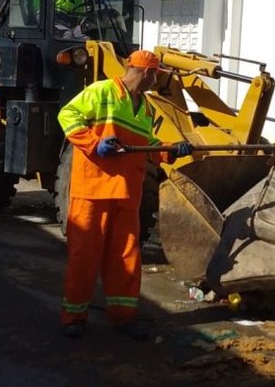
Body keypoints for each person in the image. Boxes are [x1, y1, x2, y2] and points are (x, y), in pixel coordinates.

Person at [57, 50, 192, 339]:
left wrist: (170, 149)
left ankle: (123, 317)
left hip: (126, 194)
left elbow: (147, 146)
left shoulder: (146, 108)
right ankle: (73, 317)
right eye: (155, 75)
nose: (156, 81)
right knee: (84, 257)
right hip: (93, 190)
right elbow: (67, 115)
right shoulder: (102, 91)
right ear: (146, 72)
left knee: (125, 258)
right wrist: (94, 144)